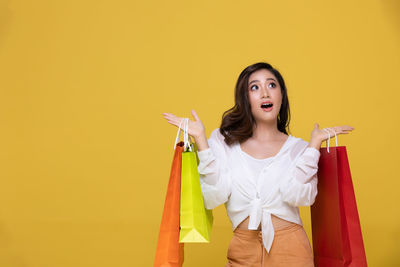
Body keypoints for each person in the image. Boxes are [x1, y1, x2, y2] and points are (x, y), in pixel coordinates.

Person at [162, 62, 354, 267]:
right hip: (242, 250)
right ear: (245, 99)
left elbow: (299, 195)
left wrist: (314, 146)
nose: (264, 93)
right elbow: (214, 196)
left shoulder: (300, 148)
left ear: (282, 94)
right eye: (254, 87)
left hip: (292, 251)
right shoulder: (223, 141)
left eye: (271, 85)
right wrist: (201, 141)